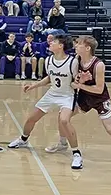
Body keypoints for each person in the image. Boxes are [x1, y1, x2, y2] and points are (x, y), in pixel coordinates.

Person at [55, 36, 111, 169]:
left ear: (87, 48)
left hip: (100, 99)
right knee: (62, 116)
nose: (75, 46)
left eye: (79, 44)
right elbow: (73, 83)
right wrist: (79, 81)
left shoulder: (99, 65)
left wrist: (80, 86)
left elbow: (99, 90)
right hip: (84, 97)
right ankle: (62, 143)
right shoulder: (77, 60)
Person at [8, 34, 83, 170]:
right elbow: (50, 78)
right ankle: (23, 139)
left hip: (67, 96)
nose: (50, 43)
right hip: (52, 94)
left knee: (64, 121)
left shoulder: (73, 62)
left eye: (53, 42)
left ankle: (76, 153)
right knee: (31, 118)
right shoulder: (48, 60)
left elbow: (76, 81)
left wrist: (79, 84)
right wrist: (33, 86)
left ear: (61, 46)